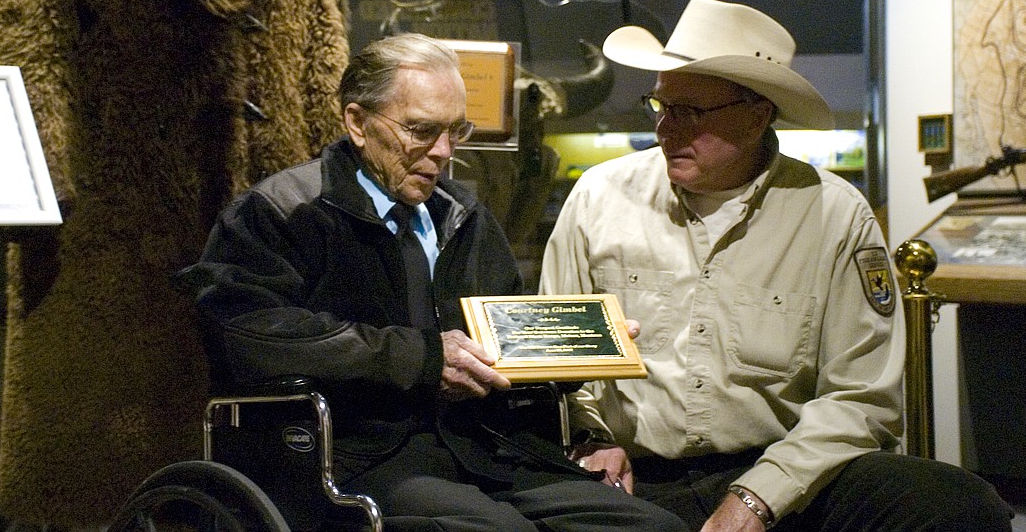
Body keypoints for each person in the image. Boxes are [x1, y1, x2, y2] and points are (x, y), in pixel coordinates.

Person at [539, 0, 1013, 531]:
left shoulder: (833, 213)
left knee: (955, 503)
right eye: (660, 106)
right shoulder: (601, 196)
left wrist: (756, 499)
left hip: (782, 473)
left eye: (690, 112)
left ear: (757, 112)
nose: (666, 129)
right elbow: (554, 361)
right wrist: (590, 437)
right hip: (629, 478)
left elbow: (862, 397)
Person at [181, 33, 686, 532]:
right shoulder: (282, 211)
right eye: (421, 130)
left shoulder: (462, 214)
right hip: (355, 453)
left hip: (483, 447)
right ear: (357, 122)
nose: (443, 152)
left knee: (652, 525)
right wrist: (420, 358)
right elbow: (247, 333)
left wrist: (577, 350)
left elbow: (503, 332)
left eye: (455, 130)